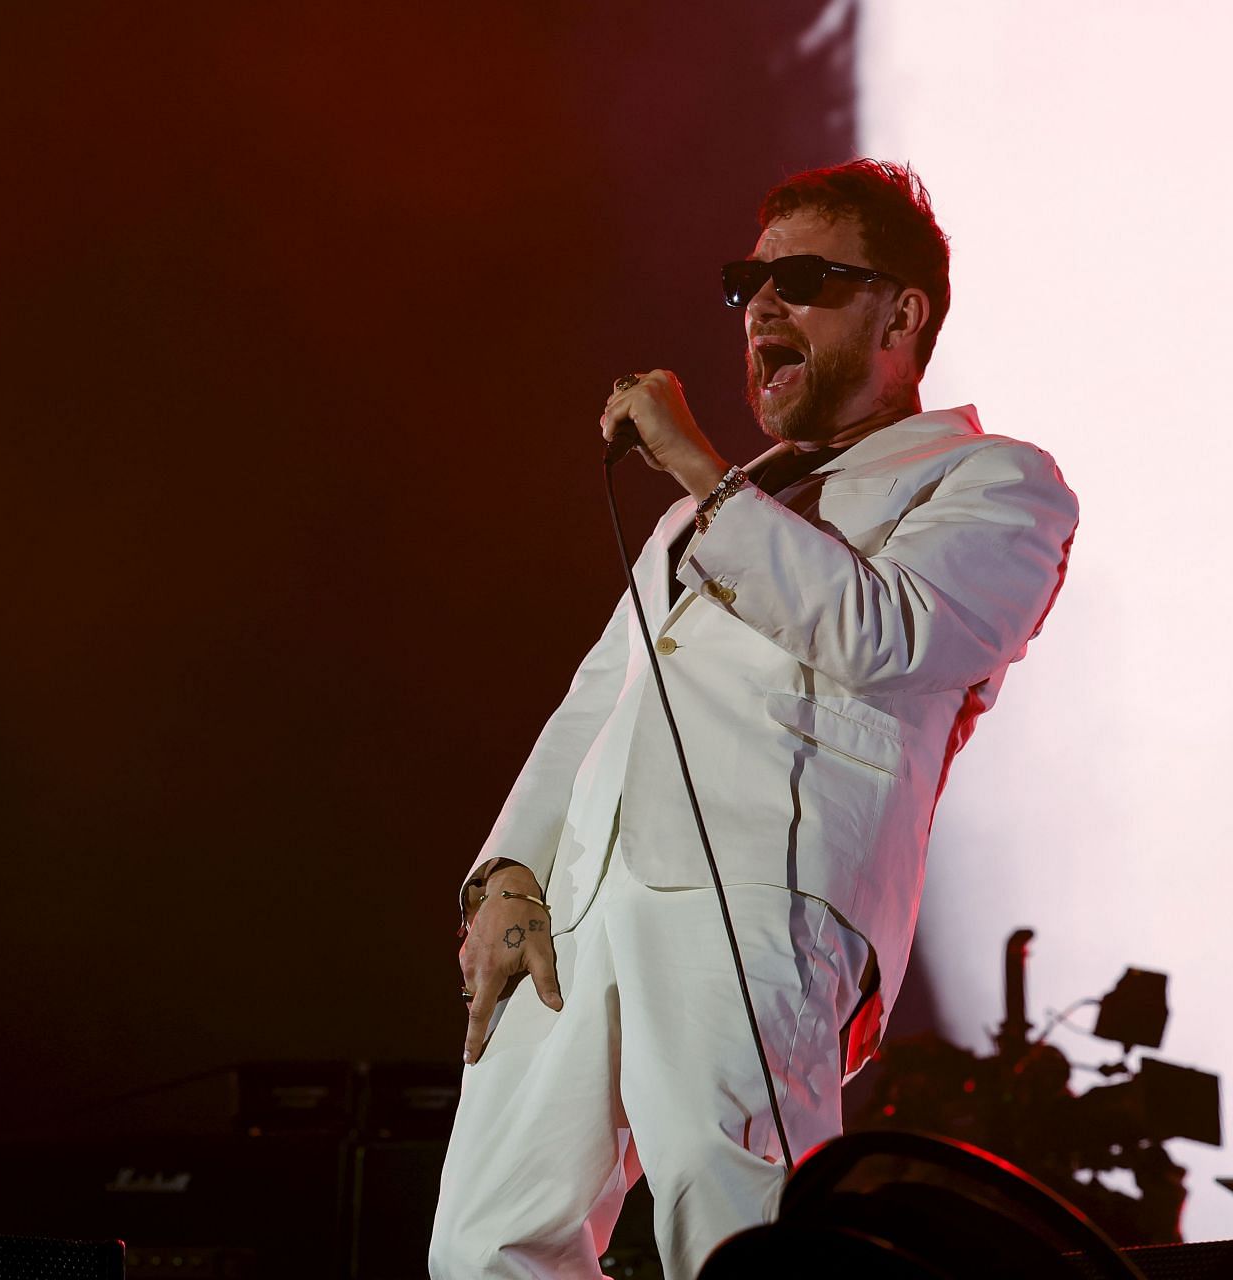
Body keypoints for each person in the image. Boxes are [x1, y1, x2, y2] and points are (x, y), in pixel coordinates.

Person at [427, 160, 1078, 1279]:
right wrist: (506, 874)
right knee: (485, 1243)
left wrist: (698, 465)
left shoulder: (993, 480)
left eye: (805, 279)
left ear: (901, 311)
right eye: (748, 282)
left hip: (763, 892)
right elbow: (595, 699)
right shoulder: (704, 512)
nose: (762, 308)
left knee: (735, 1225)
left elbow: (891, 635)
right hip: (577, 901)